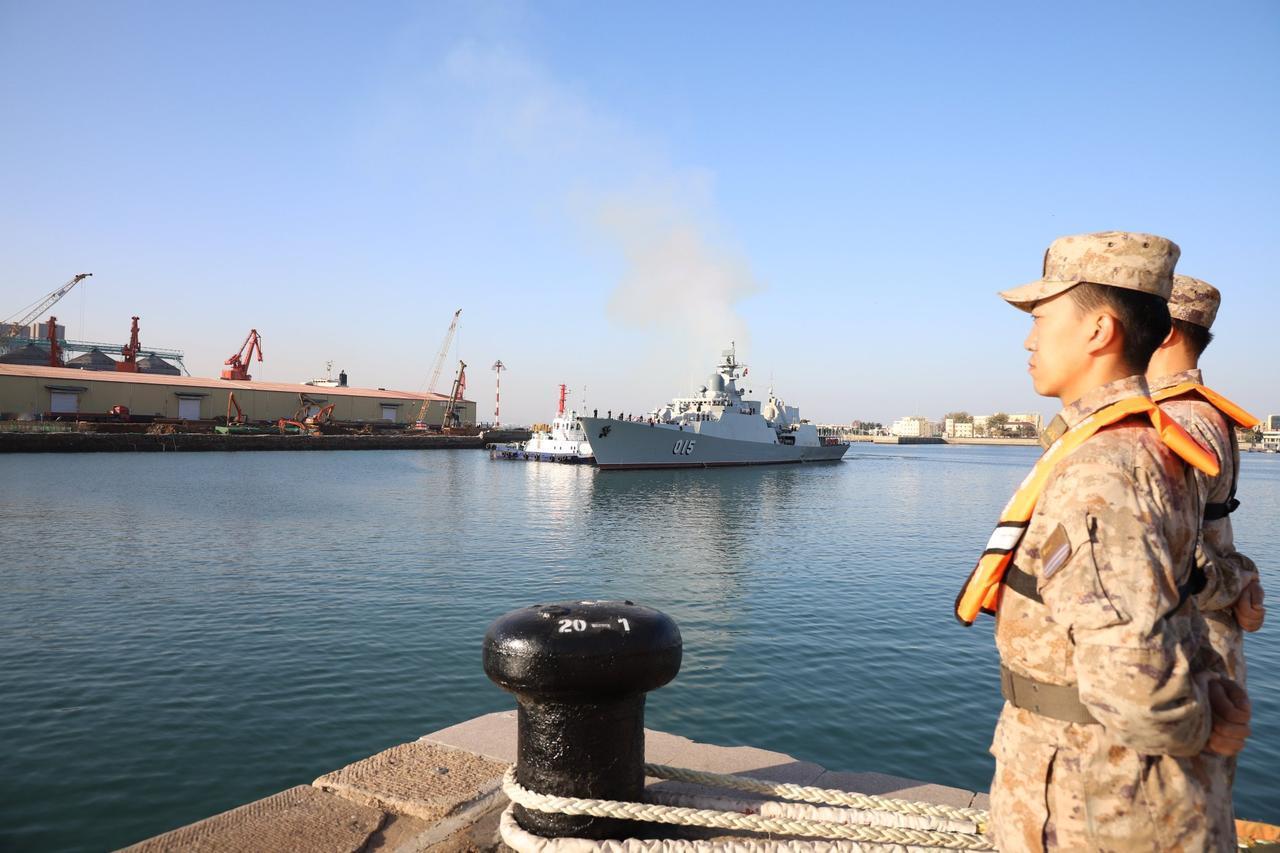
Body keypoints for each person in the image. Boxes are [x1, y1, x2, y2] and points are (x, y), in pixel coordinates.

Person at [954, 232, 1249, 851]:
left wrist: (1200, 725)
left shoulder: (1103, 471)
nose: (1030, 340)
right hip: (1096, 784)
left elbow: (1135, 685)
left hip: (1097, 803)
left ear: (1098, 331)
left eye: (1041, 319)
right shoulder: (1132, 444)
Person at [1147, 275, 1265, 686]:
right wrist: (1245, 576)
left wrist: (1241, 582)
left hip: (1184, 658)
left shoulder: (1180, 421)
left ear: (1165, 332)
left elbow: (1179, 560)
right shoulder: (1189, 411)